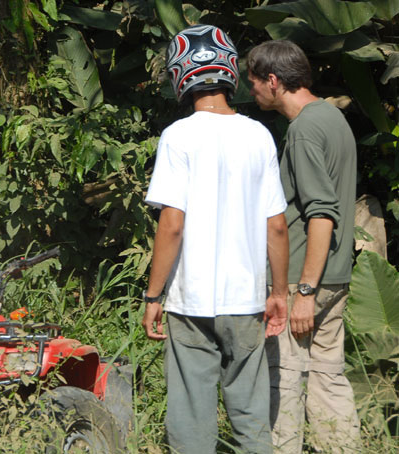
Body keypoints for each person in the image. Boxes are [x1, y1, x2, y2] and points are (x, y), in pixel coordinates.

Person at [141, 24, 290, 454]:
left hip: (190, 303)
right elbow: (276, 225)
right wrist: (278, 291)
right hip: (246, 301)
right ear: (229, 71)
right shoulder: (259, 135)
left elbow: (172, 224)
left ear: (180, 75)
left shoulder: (178, 136)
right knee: (250, 414)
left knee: (191, 415)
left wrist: (153, 296)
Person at [246, 40, 361, 454]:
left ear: (274, 81)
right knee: (329, 380)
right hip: (334, 275)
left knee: (285, 381)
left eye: (254, 81)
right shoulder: (332, 118)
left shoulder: (304, 130)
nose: (251, 90)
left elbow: (321, 212)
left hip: (302, 281)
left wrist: (305, 292)